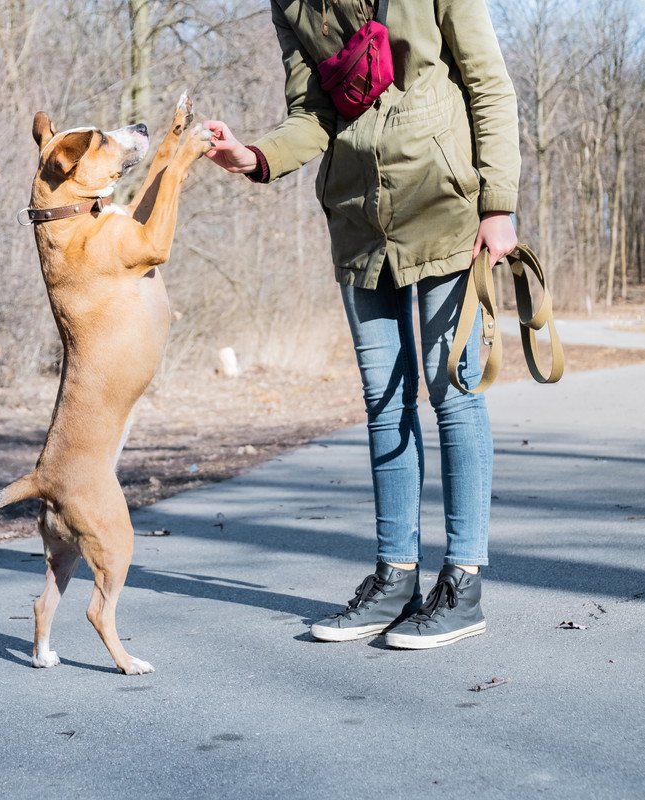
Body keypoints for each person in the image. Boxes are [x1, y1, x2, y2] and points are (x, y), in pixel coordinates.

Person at [203, 0, 520, 649]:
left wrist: (499, 203)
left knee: (453, 392)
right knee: (384, 401)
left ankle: (463, 582)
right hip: (358, 218)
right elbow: (315, 112)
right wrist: (255, 154)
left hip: (444, 203)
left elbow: (487, 80)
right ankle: (396, 575)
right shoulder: (291, 5)